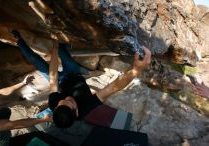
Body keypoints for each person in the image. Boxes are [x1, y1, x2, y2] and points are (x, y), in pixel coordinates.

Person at [11, 30, 151, 128]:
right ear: (77, 112)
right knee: (63, 55)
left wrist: (54, 48)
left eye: (62, 101)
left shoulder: (55, 104)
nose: (67, 98)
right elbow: (113, 88)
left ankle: (19, 41)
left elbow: (53, 76)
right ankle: (63, 49)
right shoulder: (86, 107)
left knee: (38, 61)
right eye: (71, 102)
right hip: (75, 73)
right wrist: (135, 71)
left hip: (60, 80)